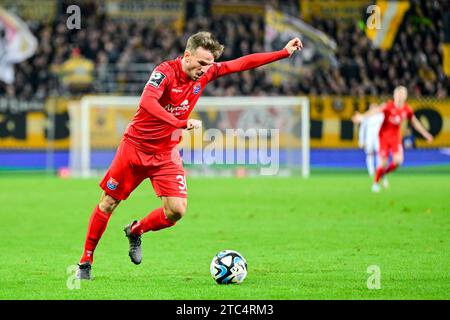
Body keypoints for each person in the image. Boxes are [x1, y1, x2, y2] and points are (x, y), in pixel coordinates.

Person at [76, 31, 303, 279]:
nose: (206, 70)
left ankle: (135, 230)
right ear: (187, 56)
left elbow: (241, 63)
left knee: (176, 210)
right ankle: (86, 261)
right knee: (108, 203)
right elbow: (147, 102)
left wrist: (283, 52)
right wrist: (179, 122)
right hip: (134, 149)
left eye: (210, 65)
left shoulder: (207, 73)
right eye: (202, 63)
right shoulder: (164, 72)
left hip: (165, 153)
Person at [352, 86, 433, 193]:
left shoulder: (407, 109)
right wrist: (362, 116)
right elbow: (375, 111)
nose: (399, 97)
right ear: (394, 95)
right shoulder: (388, 106)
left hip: (395, 138)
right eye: (397, 94)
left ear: (405, 96)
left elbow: (415, 122)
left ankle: (383, 173)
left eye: (402, 94)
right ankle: (375, 183)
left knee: (398, 161)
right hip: (383, 138)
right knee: (383, 163)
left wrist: (426, 134)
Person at [358, 103, 384, 177]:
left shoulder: (381, 116)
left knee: (379, 154)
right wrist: (361, 141)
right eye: (371, 108)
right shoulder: (367, 117)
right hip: (369, 138)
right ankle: (371, 172)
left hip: (379, 137)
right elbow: (362, 129)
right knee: (369, 154)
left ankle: (379, 171)